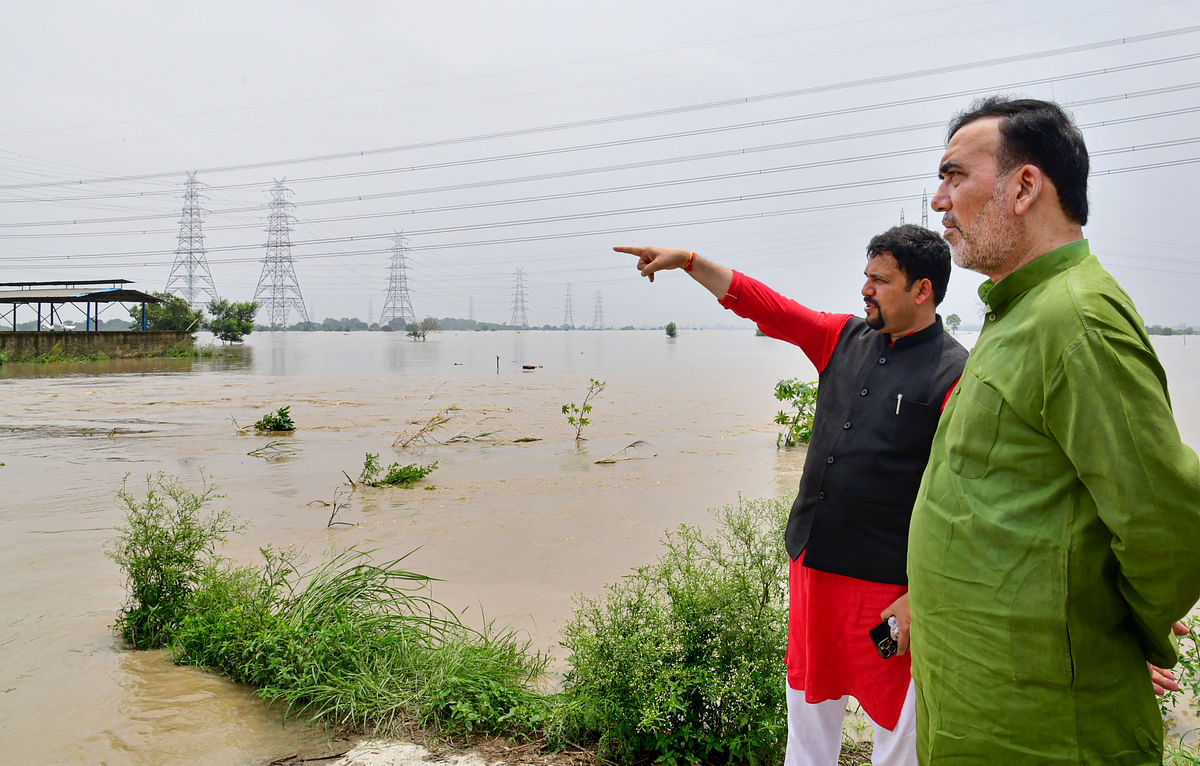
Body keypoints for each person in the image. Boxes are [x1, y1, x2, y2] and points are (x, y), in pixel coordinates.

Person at [909, 96, 1200, 764]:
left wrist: (1110, 628)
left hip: (1043, 726)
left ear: (1025, 186)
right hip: (979, 709)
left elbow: (1168, 525)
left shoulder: (1076, 319)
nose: (938, 201)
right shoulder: (1019, 313)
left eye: (954, 177)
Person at [616, 224, 968, 766]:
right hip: (814, 562)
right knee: (807, 716)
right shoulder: (841, 337)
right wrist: (689, 261)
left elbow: (959, 502)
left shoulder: (956, 373)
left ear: (923, 290)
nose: (865, 289)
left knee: (899, 731)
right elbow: (768, 306)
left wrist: (921, 597)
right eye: (865, 276)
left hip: (890, 583)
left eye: (880, 280)